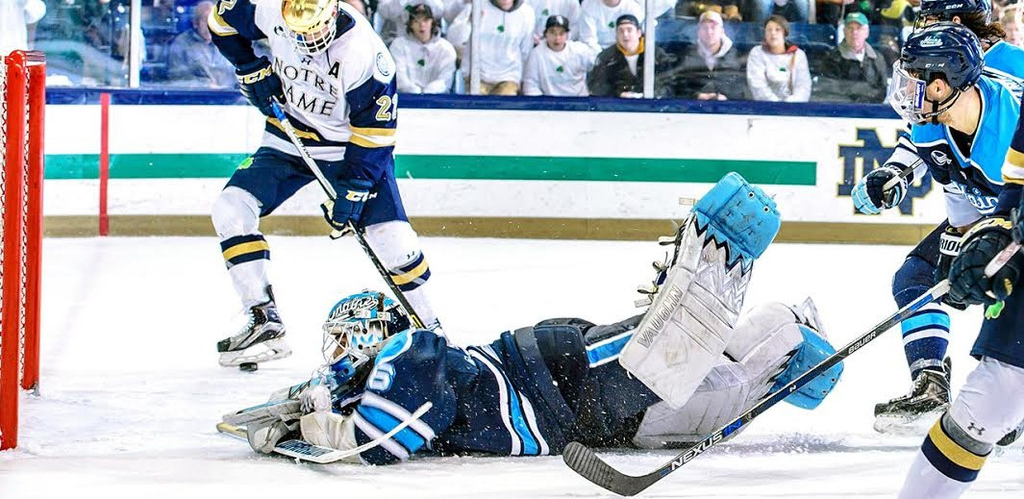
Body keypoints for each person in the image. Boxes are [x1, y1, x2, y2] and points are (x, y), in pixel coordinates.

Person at [226, 173, 844, 464]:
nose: (338, 356)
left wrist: (314, 426)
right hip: (572, 400)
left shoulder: (410, 355)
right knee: (704, 392)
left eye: (343, 345)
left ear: (367, 336)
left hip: (558, 383)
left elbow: (386, 440)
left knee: (663, 358)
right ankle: (792, 342)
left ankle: (717, 263)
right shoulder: (413, 363)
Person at [206, 0, 442, 367]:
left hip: (348, 147)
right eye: (297, 32)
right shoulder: (270, 4)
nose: (305, 43)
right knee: (230, 209)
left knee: (394, 241)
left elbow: (377, 132)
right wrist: (249, 66)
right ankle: (263, 318)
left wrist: (354, 188)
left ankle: (431, 329)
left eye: (314, 31)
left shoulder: (364, 52)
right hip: (288, 135)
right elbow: (220, 20)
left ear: (332, 13)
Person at [852, 23, 1022, 435]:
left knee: (1004, 300)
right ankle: (930, 381)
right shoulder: (929, 125)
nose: (907, 90)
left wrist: (998, 248)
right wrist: (961, 237)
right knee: (916, 276)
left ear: (945, 84)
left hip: (1017, 219)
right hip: (995, 220)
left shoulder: (1009, 125)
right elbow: (957, 186)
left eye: (917, 81)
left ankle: (1011, 395)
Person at [463, 0, 535, 95]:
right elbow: (461, 38)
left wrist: (523, 79)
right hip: (479, 76)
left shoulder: (527, 13)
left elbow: (526, 50)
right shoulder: (480, 6)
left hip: (509, 76)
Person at [587, 14, 674, 98]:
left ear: (638, 33)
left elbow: (668, 84)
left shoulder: (656, 55)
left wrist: (650, 95)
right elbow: (597, 87)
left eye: (629, 30)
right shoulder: (606, 58)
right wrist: (618, 94)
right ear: (616, 35)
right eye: (621, 31)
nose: (625, 34)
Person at [815, 12, 889, 103]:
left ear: (867, 33)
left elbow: (882, 89)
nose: (854, 32)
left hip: (871, 111)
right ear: (844, 32)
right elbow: (829, 91)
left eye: (859, 28)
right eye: (850, 28)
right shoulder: (831, 58)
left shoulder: (877, 58)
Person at [673, 9, 745, 100]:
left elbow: (739, 88)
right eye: (704, 28)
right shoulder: (687, 55)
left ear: (722, 31)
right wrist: (696, 96)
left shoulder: (736, 56)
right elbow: (679, 87)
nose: (709, 32)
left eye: (713, 27)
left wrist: (726, 97)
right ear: (698, 32)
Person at [388, 3, 456, 93]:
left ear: (432, 22)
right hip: (406, 98)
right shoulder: (398, 45)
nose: (422, 25)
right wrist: (414, 91)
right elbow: (399, 78)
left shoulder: (446, 48)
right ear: (410, 24)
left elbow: (445, 80)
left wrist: (428, 91)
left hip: (436, 99)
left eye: (426, 20)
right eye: (417, 21)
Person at [167, 0, 236, 87]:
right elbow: (176, 76)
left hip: (231, 96)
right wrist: (205, 85)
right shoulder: (182, 43)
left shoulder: (229, 42)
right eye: (206, 21)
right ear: (195, 23)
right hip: (197, 96)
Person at [522, 14, 596, 96]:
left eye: (561, 33)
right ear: (546, 34)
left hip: (579, 101)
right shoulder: (536, 55)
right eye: (553, 33)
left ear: (567, 35)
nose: (557, 38)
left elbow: (597, 70)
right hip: (549, 104)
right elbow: (530, 84)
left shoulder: (580, 51)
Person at [578, 0, 644, 55]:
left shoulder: (631, 6)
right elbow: (588, 39)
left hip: (624, 50)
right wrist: (603, 57)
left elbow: (635, 37)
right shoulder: (588, 4)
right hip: (595, 52)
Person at [745, 15, 811, 102]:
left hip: (793, 109)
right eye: (769, 30)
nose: (773, 33)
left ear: (784, 33)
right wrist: (775, 105)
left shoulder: (798, 55)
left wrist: (790, 104)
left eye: (777, 29)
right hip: (763, 108)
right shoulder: (757, 53)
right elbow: (757, 84)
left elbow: (803, 85)